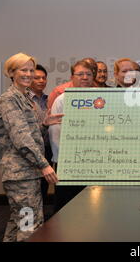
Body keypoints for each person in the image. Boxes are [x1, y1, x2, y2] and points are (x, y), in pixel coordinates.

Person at [0, 53, 61, 242]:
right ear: (11, 72)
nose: (29, 74)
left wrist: (44, 124)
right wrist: (44, 164)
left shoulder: (24, 98)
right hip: (21, 173)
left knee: (19, 220)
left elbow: (26, 131)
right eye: (24, 70)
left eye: (31, 70)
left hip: (26, 172)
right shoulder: (10, 99)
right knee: (30, 223)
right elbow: (21, 138)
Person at [49, 60, 95, 212]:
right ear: (72, 77)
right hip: (68, 162)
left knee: (91, 204)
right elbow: (54, 132)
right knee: (67, 205)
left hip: (94, 161)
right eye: (80, 74)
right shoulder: (62, 100)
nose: (85, 77)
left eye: (88, 74)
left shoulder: (100, 98)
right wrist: (61, 159)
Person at [29, 64, 53, 206]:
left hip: (47, 149)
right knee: (31, 191)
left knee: (44, 187)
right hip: (32, 151)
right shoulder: (23, 100)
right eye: (37, 78)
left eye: (44, 78)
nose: (41, 81)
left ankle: (41, 219)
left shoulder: (49, 99)